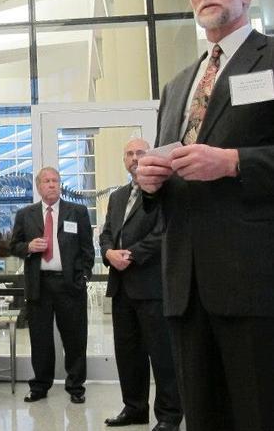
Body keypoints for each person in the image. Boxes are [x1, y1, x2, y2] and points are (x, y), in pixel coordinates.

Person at [136, 0, 274, 431]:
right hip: (185, 285)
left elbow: (237, 160)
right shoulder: (178, 85)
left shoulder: (271, 59)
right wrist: (150, 183)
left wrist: (235, 161)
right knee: (205, 416)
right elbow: (168, 165)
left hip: (254, 280)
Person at [99, 138, 182, 431]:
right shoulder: (118, 196)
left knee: (162, 354)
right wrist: (108, 253)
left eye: (140, 153)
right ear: (124, 160)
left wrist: (131, 255)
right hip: (121, 288)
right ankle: (134, 408)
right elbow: (106, 233)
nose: (134, 158)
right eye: (129, 153)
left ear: (150, 157)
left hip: (152, 286)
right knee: (128, 353)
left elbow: (164, 232)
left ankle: (170, 415)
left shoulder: (163, 191)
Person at [10, 166, 94, 404]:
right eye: (46, 181)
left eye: (55, 180)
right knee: (41, 339)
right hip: (39, 285)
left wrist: (84, 277)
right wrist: (28, 247)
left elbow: (88, 249)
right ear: (39, 186)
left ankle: (76, 386)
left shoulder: (77, 212)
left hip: (70, 284)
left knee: (75, 338)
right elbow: (13, 245)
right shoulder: (26, 214)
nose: (52, 184)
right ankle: (40, 385)